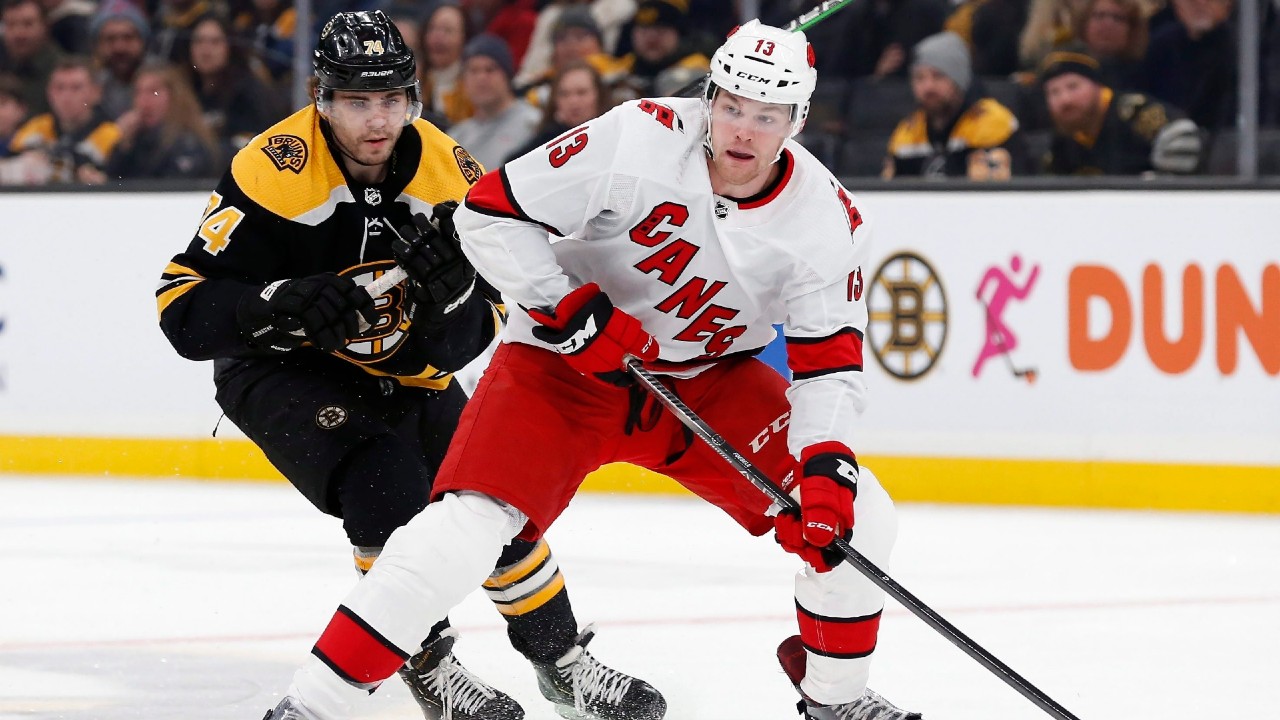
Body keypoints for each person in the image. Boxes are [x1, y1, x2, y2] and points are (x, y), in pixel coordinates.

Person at [271, 19, 921, 720]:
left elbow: (829, 364)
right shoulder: (634, 137)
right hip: (565, 370)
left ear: (797, 119)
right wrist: (567, 308)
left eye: (766, 116)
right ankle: (312, 706)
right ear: (709, 96)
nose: (742, 131)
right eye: (730, 105)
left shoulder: (829, 220)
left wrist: (824, 464)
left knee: (863, 519)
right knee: (458, 533)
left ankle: (835, 699)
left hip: (708, 386)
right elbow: (488, 214)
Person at [154, 11, 660, 720]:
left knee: (496, 494)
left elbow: (466, 341)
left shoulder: (451, 177)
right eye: (357, 101)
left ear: (414, 98)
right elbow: (181, 310)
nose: (376, 120)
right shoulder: (273, 170)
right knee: (382, 479)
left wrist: (451, 299)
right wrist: (277, 305)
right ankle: (428, 664)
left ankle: (562, 662)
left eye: (391, 99)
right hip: (280, 373)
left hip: (405, 371)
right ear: (320, 98)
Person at [884, 31, 1029, 180]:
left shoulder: (993, 123)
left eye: (938, 76)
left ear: (959, 80)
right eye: (919, 78)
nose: (928, 87)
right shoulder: (907, 133)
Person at [1039, 49, 1201, 174]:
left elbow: (1184, 137)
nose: (1065, 100)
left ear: (1098, 85)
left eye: (1073, 86)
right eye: (1054, 92)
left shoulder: (1134, 112)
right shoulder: (1062, 141)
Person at [7, 54, 119, 183]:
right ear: (49, 92)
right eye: (59, 88)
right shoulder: (36, 127)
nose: (66, 97)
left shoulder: (111, 135)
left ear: (96, 93)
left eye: (76, 88)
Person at [100, 61, 218, 179]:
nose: (143, 101)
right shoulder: (136, 140)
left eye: (153, 92)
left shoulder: (189, 143)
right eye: (138, 93)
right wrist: (123, 146)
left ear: (174, 96)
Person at [447, 34, 539, 169]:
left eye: (490, 69)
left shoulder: (533, 124)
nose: (481, 78)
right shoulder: (456, 137)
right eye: (473, 70)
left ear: (507, 76)